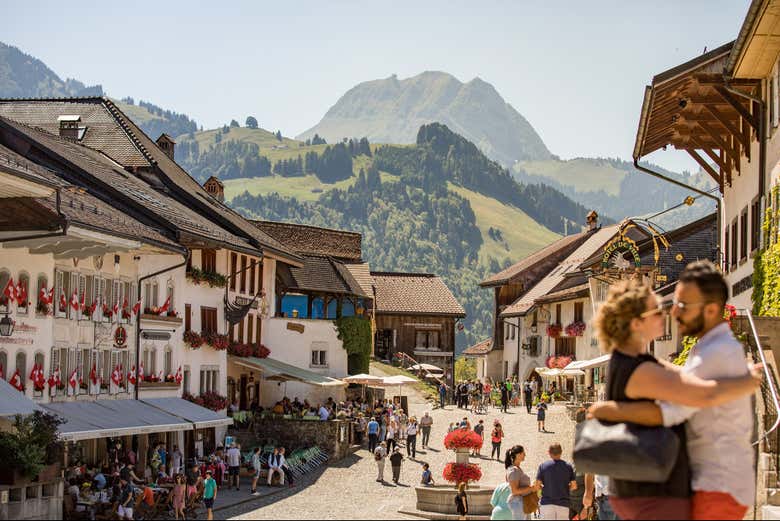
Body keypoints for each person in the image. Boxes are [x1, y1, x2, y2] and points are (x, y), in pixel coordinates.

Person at [589, 262, 760, 521]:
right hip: (679, 488)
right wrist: (747, 381)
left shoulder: (710, 353)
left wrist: (615, 410)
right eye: (660, 309)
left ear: (712, 309)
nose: (671, 313)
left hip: (712, 485)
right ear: (636, 324)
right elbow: (697, 393)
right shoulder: (652, 364)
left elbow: (680, 404)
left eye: (682, 305)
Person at [533, 443, 577, 520]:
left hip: (547, 503)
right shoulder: (568, 467)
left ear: (549, 452)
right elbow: (574, 486)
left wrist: (544, 489)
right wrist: (565, 489)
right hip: (563, 504)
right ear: (561, 452)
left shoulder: (543, 466)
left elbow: (537, 486)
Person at [505, 445, 541, 520]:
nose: (525, 455)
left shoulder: (516, 469)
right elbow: (514, 491)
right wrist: (531, 488)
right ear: (518, 455)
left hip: (522, 502)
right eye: (523, 453)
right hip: (518, 502)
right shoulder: (513, 470)